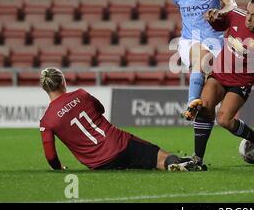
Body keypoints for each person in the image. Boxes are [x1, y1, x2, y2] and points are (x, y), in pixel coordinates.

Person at [39, 67, 201, 172]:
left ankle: (179, 162)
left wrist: (58, 167)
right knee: (159, 158)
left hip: (98, 164)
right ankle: (177, 162)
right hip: (119, 144)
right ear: (63, 81)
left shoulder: (46, 121)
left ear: (44, 88)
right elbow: (100, 109)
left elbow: (51, 156)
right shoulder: (81, 94)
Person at [188, 0, 254, 169]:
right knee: (205, 108)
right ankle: (197, 160)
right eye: (248, 13)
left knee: (224, 119)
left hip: (240, 83)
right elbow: (220, 25)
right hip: (219, 74)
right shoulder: (235, 14)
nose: (248, 18)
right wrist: (212, 20)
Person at [170, 0, 237, 121]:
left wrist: (220, 12)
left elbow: (232, 5)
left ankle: (200, 141)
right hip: (188, 42)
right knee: (201, 55)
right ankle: (191, 102)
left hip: (216, 43)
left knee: (208, 105)